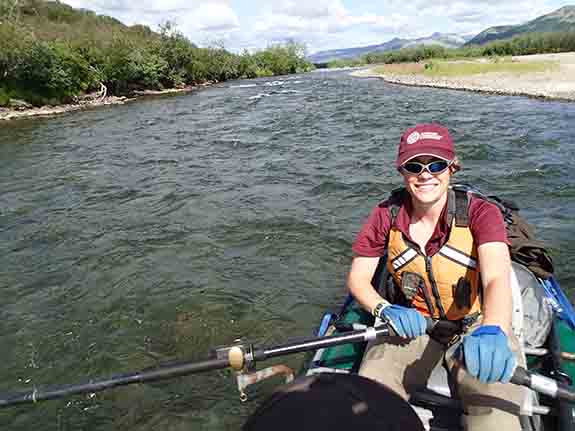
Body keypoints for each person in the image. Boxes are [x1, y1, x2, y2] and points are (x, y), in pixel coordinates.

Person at [347, 123, 525, 430]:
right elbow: (358, 279)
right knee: (369, 399)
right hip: (415, 327)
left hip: (477, 327)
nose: (425, 174)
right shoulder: (385, 215)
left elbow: (496, 277)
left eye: (436, 164)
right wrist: (384, 309)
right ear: (402, 172)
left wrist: (494, 328)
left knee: (496, 416)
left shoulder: (481, 212)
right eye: (414, 166)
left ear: (452, 167)